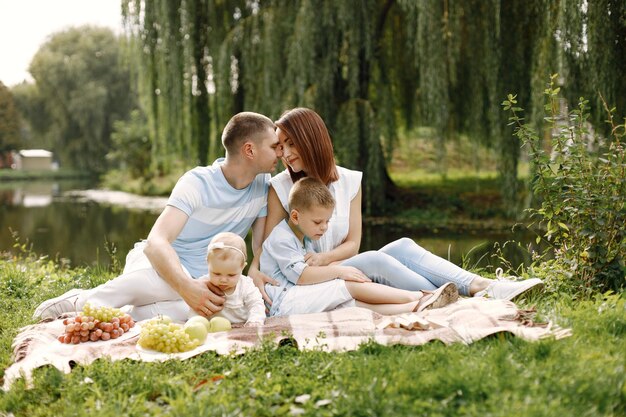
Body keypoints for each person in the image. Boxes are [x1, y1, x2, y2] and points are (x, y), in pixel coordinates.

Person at [253, 107, 543, 305]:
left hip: (335, 266)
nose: (286, 154)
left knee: (402, 245)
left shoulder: (350, 181)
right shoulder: (281, 188)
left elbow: (353, 243)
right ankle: (445, 299)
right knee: (377, 260)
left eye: (291, 144)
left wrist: (327, 260)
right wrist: (252, 269)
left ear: (311, 140)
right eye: (281, 146)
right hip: (306, 281)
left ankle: (485, 287)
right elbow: (270, 248)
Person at [34, 111, 282, 321]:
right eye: (273, 146)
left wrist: (255, 270)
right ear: (249, 150)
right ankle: (82, 302)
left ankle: (126, 312)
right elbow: (156, 244)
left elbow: (258, 244)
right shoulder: (197, 182)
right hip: (162, 266)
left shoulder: (262, 185)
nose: (280, 152)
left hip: (210, 279)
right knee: (149, 285)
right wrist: (186, 287)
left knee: (194, 311)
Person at [260, 177, 459, 316]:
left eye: (327, 221)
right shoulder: (281, 238)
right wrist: (340, 271)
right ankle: (420, 296)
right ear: (295, 216)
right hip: (285, 303)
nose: (324, 228)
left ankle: (415, 307)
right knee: (347, 286)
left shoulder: (304, 237)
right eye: (318, 222)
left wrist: (336, 268)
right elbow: (302, 276)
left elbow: (311, 270)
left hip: (298, 296)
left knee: (351, 305)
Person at [187, 232, 265, 325]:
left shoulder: (245, 285)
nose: (223, 280)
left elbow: (256, 304)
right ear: (208, 263)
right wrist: (194, 322)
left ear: (242, 267)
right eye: (216, 273)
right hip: (214, 330)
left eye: (231, 275)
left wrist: (255, 320)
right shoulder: (203, 284)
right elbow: (195, 307)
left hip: (243, 327)